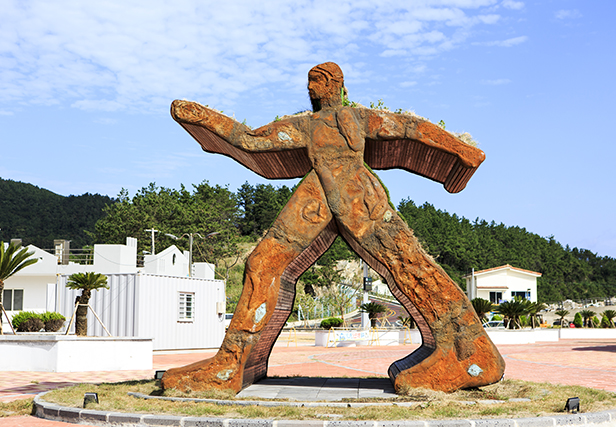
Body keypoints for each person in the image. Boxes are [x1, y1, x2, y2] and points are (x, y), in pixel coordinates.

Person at [162, 62, 504, 394]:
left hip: (358, 199)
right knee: (262, 264)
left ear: (333, 84)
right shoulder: (305, 124)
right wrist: (206, 117)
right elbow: (251, 139)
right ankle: (230, 363)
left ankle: (471, 352)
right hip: (317, 197)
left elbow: (408, 127)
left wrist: (460, 149)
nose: (309, 88)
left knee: (410, 265)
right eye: (309, 81)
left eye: (316, 80)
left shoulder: (357, 117)